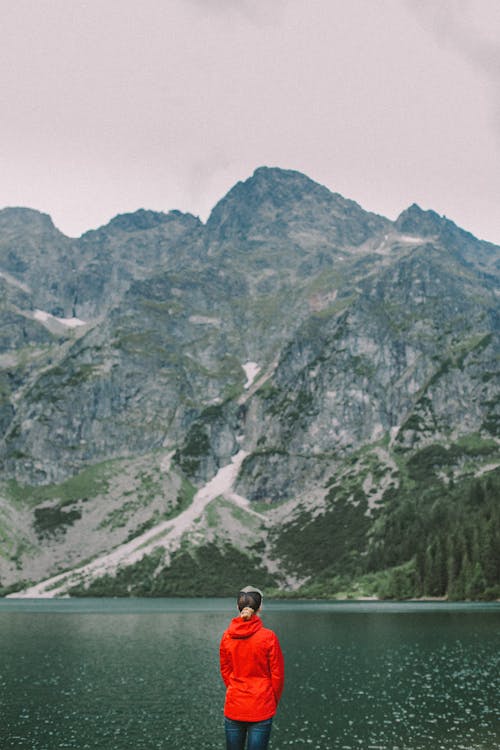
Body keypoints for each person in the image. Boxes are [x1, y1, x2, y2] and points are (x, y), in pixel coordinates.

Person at [219, 585, 285, 750]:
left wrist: (235, 688)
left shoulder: (227, 637)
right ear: (260, 607)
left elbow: (225, 670)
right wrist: (271, 701)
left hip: (235, 705)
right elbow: (277, 675)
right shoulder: (268, 637)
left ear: (238, 607)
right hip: (261, 706)